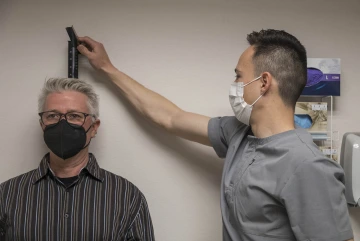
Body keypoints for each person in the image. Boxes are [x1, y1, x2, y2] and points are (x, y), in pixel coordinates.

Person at [77, 29, 354, 241]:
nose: (234, 85)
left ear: (264, 83)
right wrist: (107, 68)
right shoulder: (239, 134)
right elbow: (170, 118)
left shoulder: (308, 168)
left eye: (238, 76)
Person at [0, 78, 155, 241]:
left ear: (94, 127)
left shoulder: (127, 196)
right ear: (42, 125)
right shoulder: (7, 195)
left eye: (74, 116)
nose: (62, 124)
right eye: (52, 115)